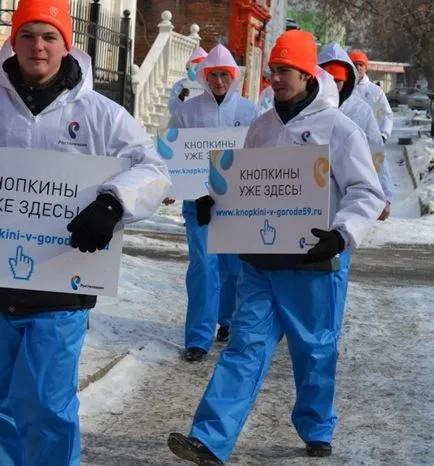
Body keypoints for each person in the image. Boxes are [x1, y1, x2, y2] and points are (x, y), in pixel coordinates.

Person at [168, 30, 385, 464]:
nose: (276, 78)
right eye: (272, 71)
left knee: (314, 350)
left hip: (312, 263)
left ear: (307, 74)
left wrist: (341, 234)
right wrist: (215, 197)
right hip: (260, 264)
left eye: (284, 71)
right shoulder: (262, 126)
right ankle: (210, 438)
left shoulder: (338, 129)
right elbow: (245, 181)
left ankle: (316, 425)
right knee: (244, 346)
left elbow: (366, 191)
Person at [0, 1, 171, 465]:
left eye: (49, 36)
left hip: (60, 294)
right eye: (28, 34)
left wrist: (113, 202)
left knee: (49, 411)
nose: (38, 45)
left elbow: (153, 169)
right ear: (12, 40)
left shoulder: (100, 114)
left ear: (66, 43)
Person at [167, 44, 259, 363]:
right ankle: (198, 337)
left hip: (237, 204)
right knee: (204, 267)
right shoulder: (188, 111)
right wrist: (184, 186)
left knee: (235, 267)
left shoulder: (250, 112)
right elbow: (175, 152)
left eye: (224, 75)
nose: (219, 81)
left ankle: (229, 321)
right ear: (204, 76)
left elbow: (258, 157)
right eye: (213, 75)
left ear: (233, 77)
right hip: (199, 205)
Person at [319, 42, 393, 220]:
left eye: (338, 80)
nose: (333, 85)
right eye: (328, 78)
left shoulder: (363, 107)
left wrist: (384, 194)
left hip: (348, 190)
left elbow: (376, 151)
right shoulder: (302, 109)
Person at [349, 50, 394, 143]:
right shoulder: (343, 88)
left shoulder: (375, 91)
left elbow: (386, 114)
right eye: (355, 65)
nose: (358, 68)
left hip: (370, 140)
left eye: (361, 65)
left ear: (366, 68)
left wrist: (383, 135)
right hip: (347, 139)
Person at [168, 47, 208, 116]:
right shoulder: (180, 85)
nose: (197, 72)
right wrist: (181, 97)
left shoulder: (212, 85)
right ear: (188, 68)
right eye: (195, 68)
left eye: (201, 68)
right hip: (185, 123)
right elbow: (172, 110)